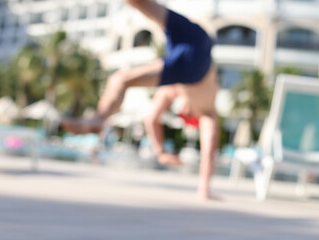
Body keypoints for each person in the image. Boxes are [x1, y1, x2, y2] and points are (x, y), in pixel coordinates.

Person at [61, 0, 220, 201]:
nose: (183, 110)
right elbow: (208, 151)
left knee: (120, 79)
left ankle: (98, 119)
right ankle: (97, 120)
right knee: (142, 7)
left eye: (182, 113)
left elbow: (152, 119)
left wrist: (161, 152)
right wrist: (203, 189)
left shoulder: (199, 108)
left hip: (194, 57)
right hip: (196, 46)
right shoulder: (205, 108)